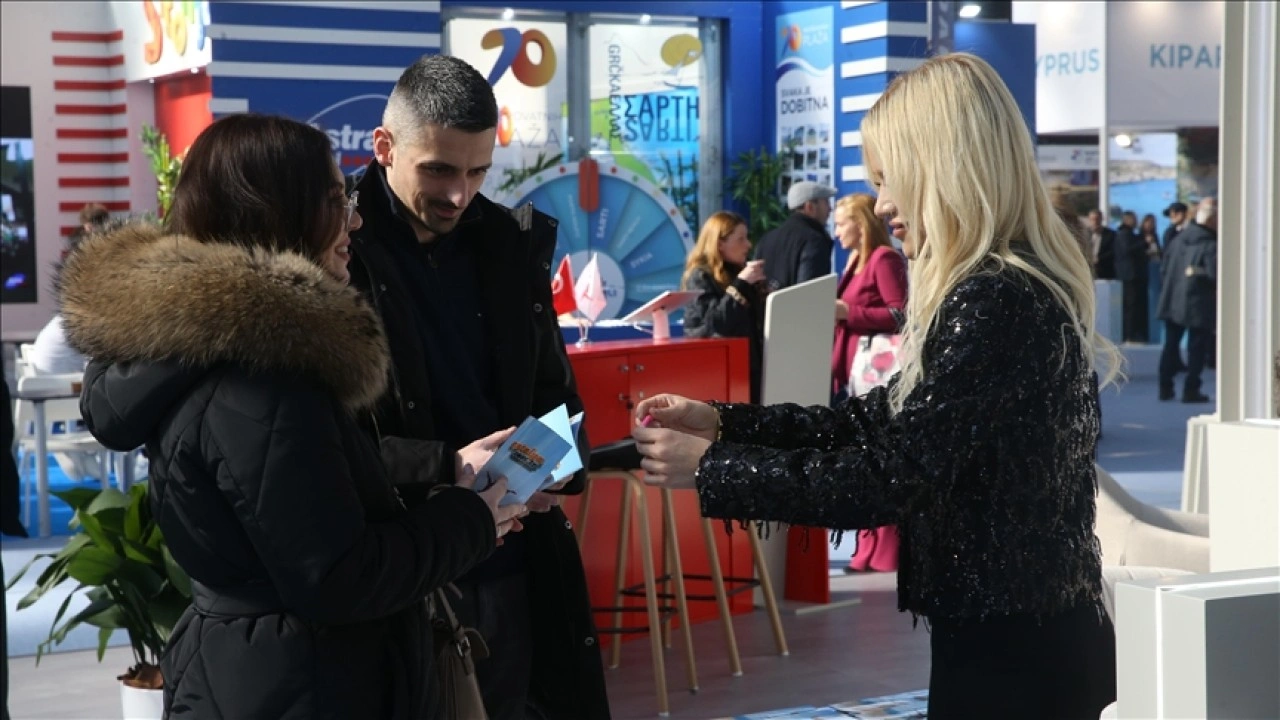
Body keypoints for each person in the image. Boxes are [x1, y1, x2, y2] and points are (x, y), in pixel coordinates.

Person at [631, 53, 1120, 719]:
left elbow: (891, 476)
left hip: (1014, 660)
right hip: (1022, 640)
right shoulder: (1005, 289)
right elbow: (870, 423)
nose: (881, 203)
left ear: (947, 166)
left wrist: (714, 465)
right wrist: (722, 424)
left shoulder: (995, 299)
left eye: (889, 179)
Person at [59, 113, 526, 719]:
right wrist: (471, 518)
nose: (354, 219)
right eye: (335, 200)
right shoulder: (261, 380)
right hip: (302, 686)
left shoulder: (206, 355)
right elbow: (339, 576)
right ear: (273, 214)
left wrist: (444, 466)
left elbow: (302, 487)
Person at [346, 55, 610, 720]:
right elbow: (319, 445)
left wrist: (540, 471)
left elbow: (559, 403)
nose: (458, 194)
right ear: (384, 148)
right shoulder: (336, 249)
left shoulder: (507, 243)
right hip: (399, 573)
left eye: (477, 171)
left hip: (514, 568)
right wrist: (444, 468)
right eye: (438, 169)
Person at [829, 193, 907, 574]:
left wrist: (848, 312)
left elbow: (900, 313)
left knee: (880, 460)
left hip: (875, 379)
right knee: (866, 462)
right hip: (854, 378)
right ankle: (868, 548)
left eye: (842, 223)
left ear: (861, 225)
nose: (836, 230)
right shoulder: (855, 261)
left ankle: (885, 550)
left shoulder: (883, 259)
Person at [681, 211, 767, 402]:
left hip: (751, 365)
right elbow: (717, 322)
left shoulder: (738, 272)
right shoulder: (701, 276)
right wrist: (741, 284)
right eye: (740, 239)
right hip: (721, 371)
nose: (748, 245)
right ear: (720, 244)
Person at [1157, 197, 1217, 403]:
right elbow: (1215, 274)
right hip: (1198, 304)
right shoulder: (1210, 244)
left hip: (1173, 300)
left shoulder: (1177, 240)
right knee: (1196, 348)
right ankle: (1191, 389)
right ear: (1211, 221)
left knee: (1170, 345)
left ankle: (1165, 387)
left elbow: (1164, 269)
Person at [753, 180, 837, 292]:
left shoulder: (767, 239)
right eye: (826, 202)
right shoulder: (814, 241)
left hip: (766, 309)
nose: (830, 209)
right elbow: (809, 292)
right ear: (810, 207)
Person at [1113, 210, 1150, 343]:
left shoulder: (1130, 235)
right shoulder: (1124, 234)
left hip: (1133, 275)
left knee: (1134, 306)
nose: (1136, 222)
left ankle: (1133, 333)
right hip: (1129, 275)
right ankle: (1128, 334)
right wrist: (1144, 243)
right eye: (1133, 219)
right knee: (1130, 306)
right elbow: (1128, 250)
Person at [1087, 208, 1117, 279]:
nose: (1095, 222)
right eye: (1093, 219)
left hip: (1105, 270)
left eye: (1097, 219)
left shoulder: (1110, 234)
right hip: (1088, 270)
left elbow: (1113, 250)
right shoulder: (1085, 233)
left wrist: (1098, 259)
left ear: (1101, 219)